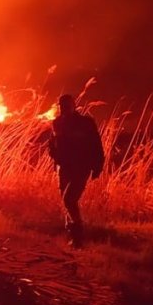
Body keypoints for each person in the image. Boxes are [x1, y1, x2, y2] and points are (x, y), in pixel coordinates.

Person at [47, 93, 105, 244]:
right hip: (63, 167)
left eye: (67, 105)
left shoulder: (86, 123)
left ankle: (78, 232)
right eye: (61, 105)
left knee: (69, 198)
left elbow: (96, 145)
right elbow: (52, 144)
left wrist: (97, 166)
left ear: (74, 105)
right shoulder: (57, 123)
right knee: (66, 199)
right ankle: (71, 233)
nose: (64, 108)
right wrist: (55, 156)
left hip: (81, 167)